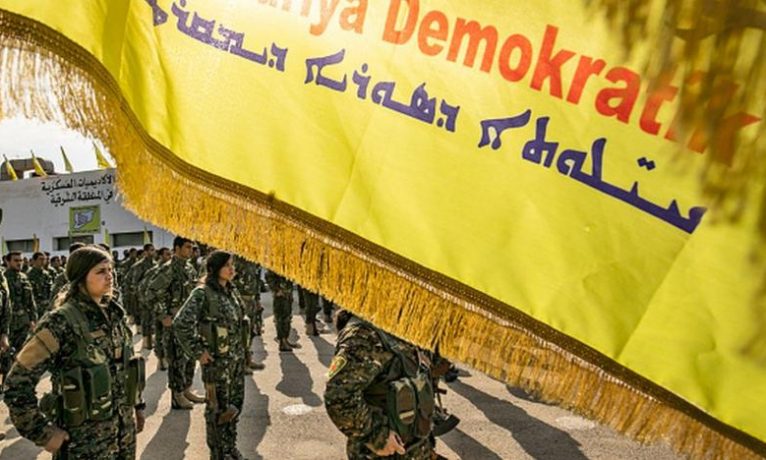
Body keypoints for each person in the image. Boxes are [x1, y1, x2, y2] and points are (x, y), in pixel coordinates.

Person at [4, 245, 146, 459]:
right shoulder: (60, 321)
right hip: (83, 446)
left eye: (111, 269)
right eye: (100, 271)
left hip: (123, 438)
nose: (110, 276)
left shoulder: (115, 315)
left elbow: (126, 367)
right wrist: (42, 432)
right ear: (81, 278)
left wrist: (137, 405)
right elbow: (16, 384)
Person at [325, 310, 437, 459]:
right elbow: (339, 396)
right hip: (385, 453)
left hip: (414, 447)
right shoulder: (363, 334)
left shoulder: (401, 324)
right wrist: (377, 436)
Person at [174, 251, 248, 460]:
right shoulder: (202, 293)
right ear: (215, 269)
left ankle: (229, 447)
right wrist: (198, 352)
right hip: (216, 364)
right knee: (217, 411)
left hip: (234, 362)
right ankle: (217, 454)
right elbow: (181, 323)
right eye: (227, 265)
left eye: (232, 264)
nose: (232, 269)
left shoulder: (231, 292)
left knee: (234, 407)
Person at [147, 236, 203, 409]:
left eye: (192, 247)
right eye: (187, 247)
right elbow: (150, 293)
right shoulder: (169, 269)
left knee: (189, 357)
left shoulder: (190, 269)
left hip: (189, 321)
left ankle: (186, 389)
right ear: (177, 248)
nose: (191, 251)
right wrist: (164, 315)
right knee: (177, 359)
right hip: (175, 322)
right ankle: (177, 395)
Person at [264, 270, 300, 352]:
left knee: (287, 318)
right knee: (281, 318)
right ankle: (282, 342)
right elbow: (268, 276)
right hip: (280, 295)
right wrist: (276, 290)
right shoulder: (276, 261)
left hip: (287, 293)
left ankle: (285, 340)